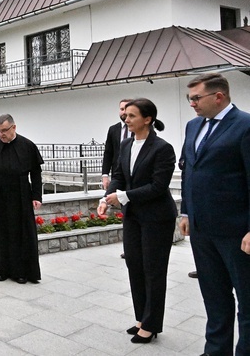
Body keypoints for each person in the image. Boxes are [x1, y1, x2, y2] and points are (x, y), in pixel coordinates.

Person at [179, 73, 250, 356]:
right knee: (214, 296)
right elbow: (189, 171)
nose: (192, 104)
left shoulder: (245, 126)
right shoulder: (193, 126)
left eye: (196, 98)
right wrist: (185, 212)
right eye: (189, 98)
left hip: (236, 231)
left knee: (246, 299)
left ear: (218, 96)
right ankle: (216, 350)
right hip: (201, 229)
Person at [97, 98, 176, 344]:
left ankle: (151, 325)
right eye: (125, 115)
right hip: (133, 216)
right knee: (135, 266)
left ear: (147, 119)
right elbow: (119, 176)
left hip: (157, 217)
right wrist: (106, 198)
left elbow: (158, 186)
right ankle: (141, 317)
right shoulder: (126, 144)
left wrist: (123, 196)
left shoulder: (162, 148)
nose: (126, 119)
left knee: (153, 270)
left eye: (131, 115)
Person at [0, 114, 44, 284]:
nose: (1, 134)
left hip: (22, 192)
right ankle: (2, 269)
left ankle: (21, 272)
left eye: (4, 130)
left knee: (21, 233)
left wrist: (36, 196)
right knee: (1, 232)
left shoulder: (27, 145)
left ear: (14, 128)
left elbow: (36, 173)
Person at [102, 99, 133, 191]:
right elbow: (108, 153)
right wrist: (105, 175)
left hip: (134, 174)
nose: (124, 112)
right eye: (122, 109)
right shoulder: (113, 129)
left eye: (126, 109)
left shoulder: (140, 129)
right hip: (117, 174)